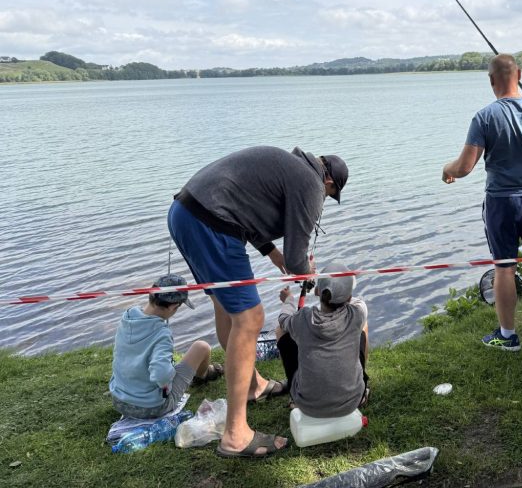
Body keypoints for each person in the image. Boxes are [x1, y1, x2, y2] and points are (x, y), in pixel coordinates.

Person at [167, 145, 347, 458]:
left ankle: (253, 386)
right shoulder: (311, 184)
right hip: (211, 224)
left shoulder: (290, 166)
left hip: (185, 214)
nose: (324, 200)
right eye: (329, 195)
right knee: (250, 318)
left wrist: (272, 253)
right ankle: (235, 435)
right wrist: (307, 272)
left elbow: (247, 212)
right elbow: (297, 260)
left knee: (227, 307)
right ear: (329, 183)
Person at [442, 53, 522, 352]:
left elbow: (463, 168)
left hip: (502, 201)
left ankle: (508, 335)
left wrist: (446, 170)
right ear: (521, 75)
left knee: (504, 267)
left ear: (491, 81)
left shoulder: (484, 117)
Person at [109, 273, 224, 419]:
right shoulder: (162, 334)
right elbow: (161, 374)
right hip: (152, 408)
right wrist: (168, 376)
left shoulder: (128, 317)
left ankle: (205, 373)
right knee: (201, 347)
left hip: (119, 401)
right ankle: (204, 375)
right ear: (174, 306)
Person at [275, 261, 369, 417]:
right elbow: (357, 302)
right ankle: (362, 386)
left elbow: (283, 319)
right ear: (349, 296)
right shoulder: (357, 313)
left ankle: (295, 396)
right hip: (352, 401)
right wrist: (344, 290)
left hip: (307, 406)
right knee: (363, 326)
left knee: (281, 331)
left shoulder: (303, 318)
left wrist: (288, 300)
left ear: (317, 291)